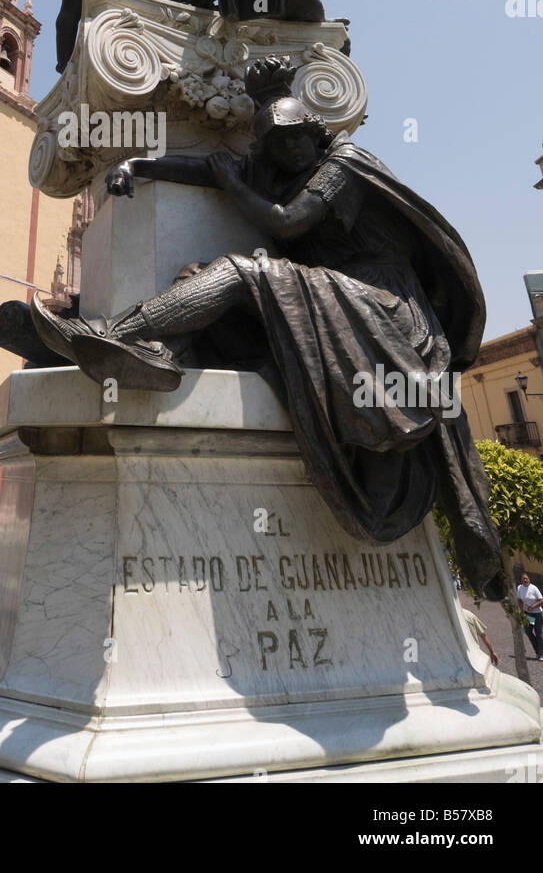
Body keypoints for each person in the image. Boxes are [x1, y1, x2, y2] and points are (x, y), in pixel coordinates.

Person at [31, 56, 505, 600]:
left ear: (314, 130)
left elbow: (285, 221)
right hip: (338, 294)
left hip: (385, 306)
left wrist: (234, 184)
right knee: (200, 277)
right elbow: (213, 169)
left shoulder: (344, 161)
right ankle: (158, 354)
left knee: (238, 273)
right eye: (278, 144)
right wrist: (139, 166)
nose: (290, 150)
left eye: (296, 137)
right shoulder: (279, 171)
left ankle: (114, 332)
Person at [518, 573, 543, 659]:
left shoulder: (534, 588)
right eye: (523, 579)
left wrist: (533, 607)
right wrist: (521, 611)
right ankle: (539, 650)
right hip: (528, 614)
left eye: (526, 579)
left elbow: (541, 600)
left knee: (538, 633)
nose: (525, 580)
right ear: (521, 580)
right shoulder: (519, 588)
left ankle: (541, 653)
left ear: (529, 579)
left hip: (537, 614)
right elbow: (519, 600)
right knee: (528, 631)